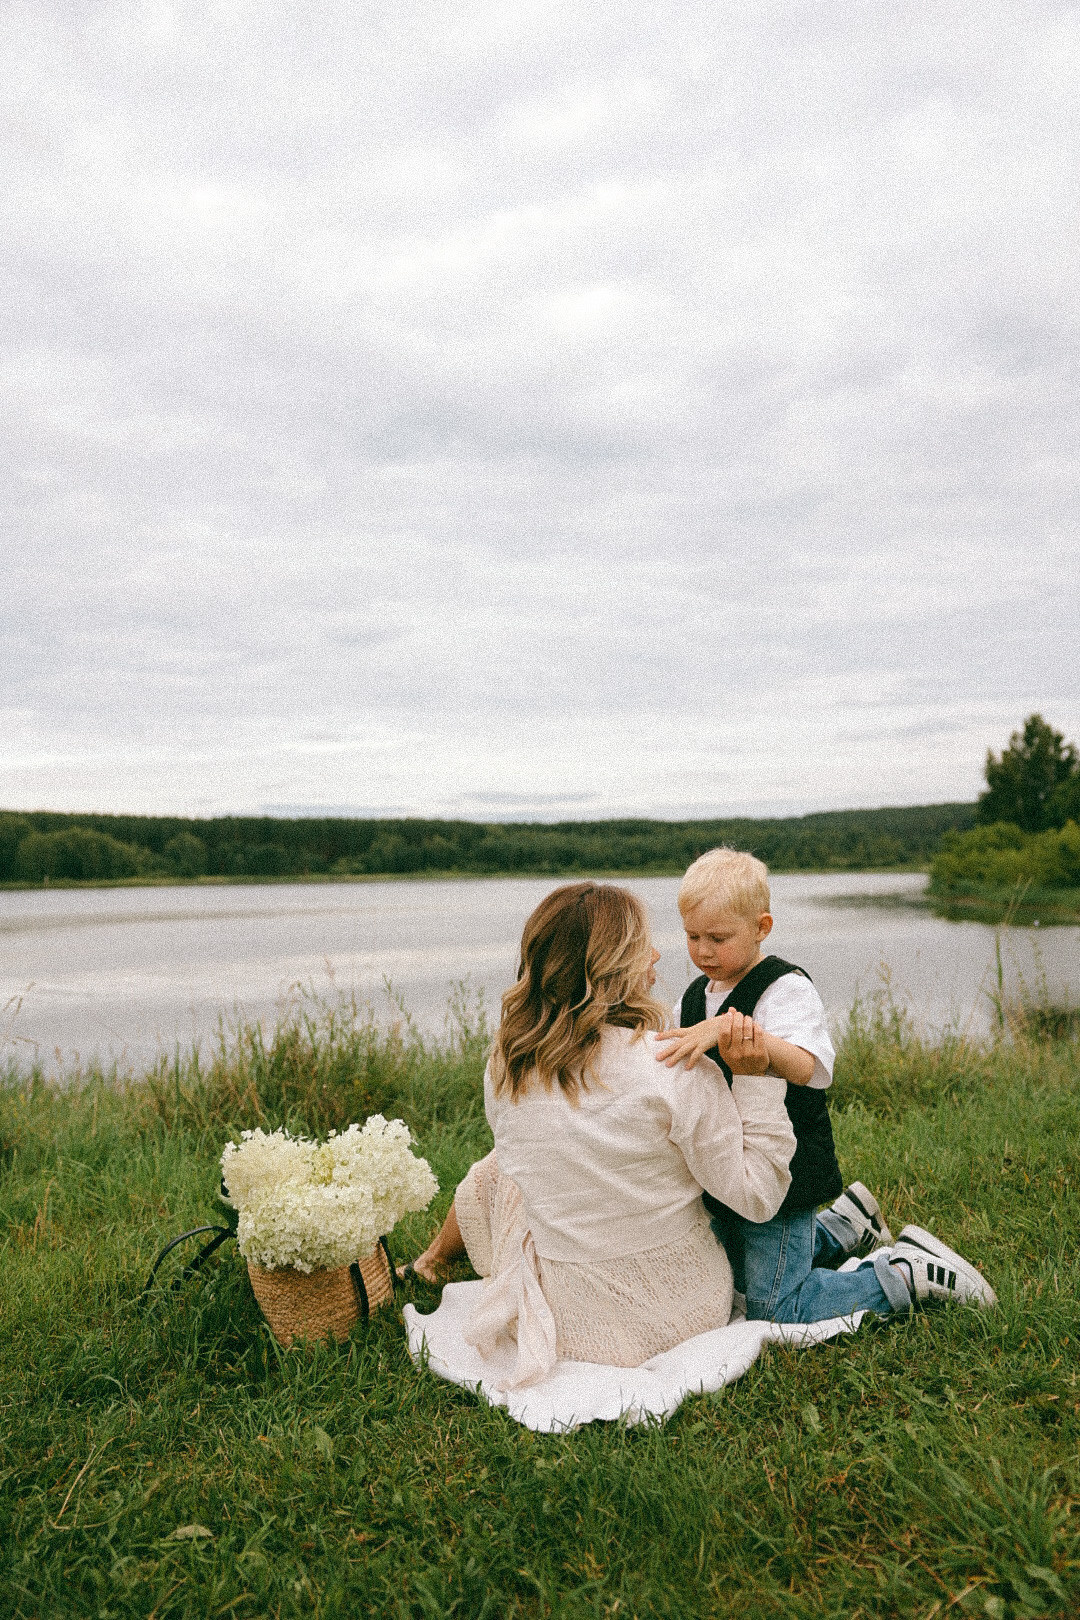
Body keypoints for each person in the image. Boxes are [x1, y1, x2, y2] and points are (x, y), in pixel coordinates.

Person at [401, 881, 799, 1388]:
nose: (658, 954)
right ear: (616, 967)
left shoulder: (506, 1067)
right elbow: (758, 1197)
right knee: (512, 1170)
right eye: (643, 946)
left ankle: (433, 1261)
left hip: (569, 1326)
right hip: (684, 1312)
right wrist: (758, 1076)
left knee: (502, 1169)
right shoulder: (675, 1067)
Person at [654, 846, 996, 1323]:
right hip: (728, 1170)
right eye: (692, 936)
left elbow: (808, 1066)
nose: (704, 950)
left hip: (786, 1170)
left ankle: (904, 1273)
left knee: (775, 1305)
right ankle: (844, 1224)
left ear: (761, 928)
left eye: (718, 937)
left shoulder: (784, 988)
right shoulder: (695, 995)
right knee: (731, 1277)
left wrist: (738, 1034)